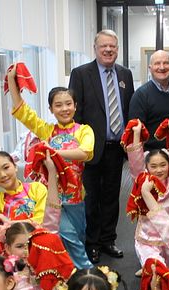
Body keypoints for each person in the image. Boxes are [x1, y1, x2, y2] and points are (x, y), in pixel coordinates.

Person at [7, 71, 94, 269]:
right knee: (68, 237)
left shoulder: (84, 130)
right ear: (51, 109)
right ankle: (86, 274)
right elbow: (22, 110)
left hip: (75, 196)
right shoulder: (47, 130)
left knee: (78, 236)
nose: (65, 109)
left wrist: (52, 152)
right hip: (51, 196)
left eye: (68, 104)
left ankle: (68, 272)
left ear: (75, 106)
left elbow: (85, 152)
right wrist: (12, 80)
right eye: (58, 105)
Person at [68, 29, 134, 263]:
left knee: (111, 196)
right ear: (95, 48)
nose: (108, 50)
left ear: (117, 49)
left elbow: (128, 109)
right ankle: (92, 243)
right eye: (104, 46)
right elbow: (74, 112)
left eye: (112, 47)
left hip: (116, 148)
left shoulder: (125, 74)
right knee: (92, 197)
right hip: (90, 150)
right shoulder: (81, 73)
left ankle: (108, 239)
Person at [126, 118, 169, 269]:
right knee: (155, 269)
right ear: (146, 167)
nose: (159, 170)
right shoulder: (143, 180)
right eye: (153, 166)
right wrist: (135, 134)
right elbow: (135, 163)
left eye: (163, 165)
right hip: (149, 236)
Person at [129, 50, 169, 150]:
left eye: (166, 63)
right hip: (151, 160)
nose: (162, 67)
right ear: (150, 68)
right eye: (157, 63)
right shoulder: (140, 95)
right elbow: (135, 133)